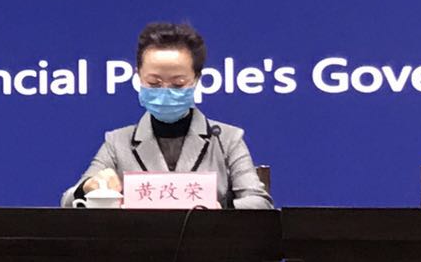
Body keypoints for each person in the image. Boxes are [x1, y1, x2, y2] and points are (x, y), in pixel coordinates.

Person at [62, 22, 272, 209]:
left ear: (196, 79)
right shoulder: (117, 143)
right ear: (138, 77)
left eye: (178, 84)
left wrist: (219, 211)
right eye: (154, 83)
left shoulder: (226, 139)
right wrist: (87, 187)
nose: (165, 92)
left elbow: (260, 203)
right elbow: (68, 202)